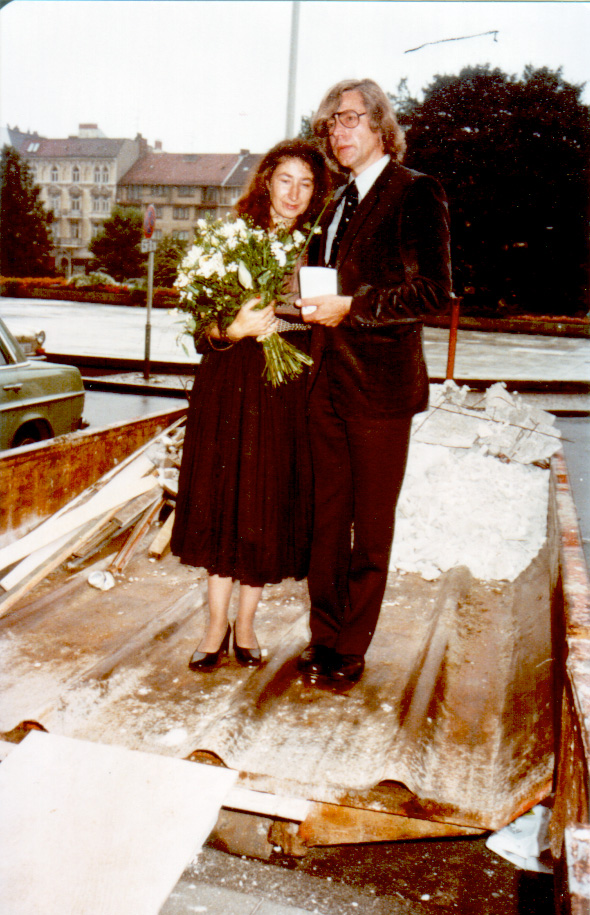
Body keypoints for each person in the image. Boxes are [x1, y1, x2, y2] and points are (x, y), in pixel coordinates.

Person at [296, 78, 452, 689]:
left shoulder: (415, 192)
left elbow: (433, 292)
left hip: (381, 391)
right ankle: (323, 636)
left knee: (371, 525)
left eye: (352, 119)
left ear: (382, 126)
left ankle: (352, 646)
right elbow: (318, 287)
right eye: (331, 123)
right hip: (326, 385)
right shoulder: (334, 206)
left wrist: (351, 307)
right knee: (327, 521)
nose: (339, 132)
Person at [171, 139, 331, 672]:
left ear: (317, 194)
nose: (295, 193)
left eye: (307, 184)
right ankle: (215, 626)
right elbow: (201, 330)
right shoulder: (231, 239)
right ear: (266, 181)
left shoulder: (320, 250)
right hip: (228, 385)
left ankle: (246, 623)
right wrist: (234, 327)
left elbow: (325, 325)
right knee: (223, 502)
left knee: (262, 506)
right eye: (286, 179)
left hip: (282, 391)